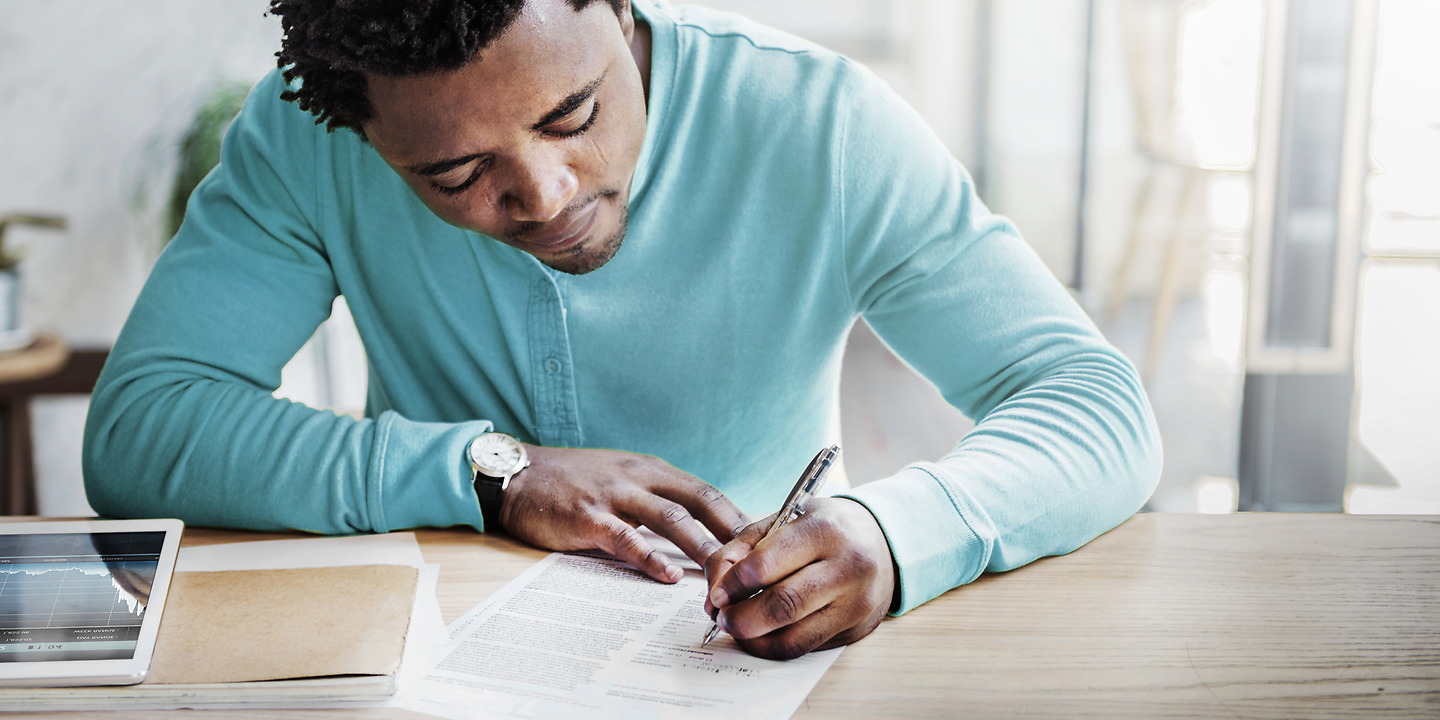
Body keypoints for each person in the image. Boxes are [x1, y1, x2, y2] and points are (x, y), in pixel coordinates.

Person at [83, 0, 1162, 660]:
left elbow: (1093, 407)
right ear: (367, 136)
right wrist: (484, 471)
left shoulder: (819, 120)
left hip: (756, 658)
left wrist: (897, 533)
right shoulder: (303, 140)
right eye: (457, 174)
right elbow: (144, 430)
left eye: (574, 116)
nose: (547, 195)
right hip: (423, 666)